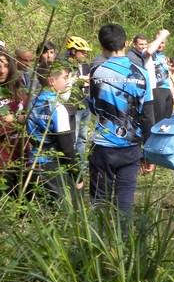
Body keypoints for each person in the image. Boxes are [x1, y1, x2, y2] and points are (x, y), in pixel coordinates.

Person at [88, 24, 155, 226]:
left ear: (101, 46)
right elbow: (147, 115)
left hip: (102, 147)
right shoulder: (141, 74)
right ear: (126, 43)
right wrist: (148, 152)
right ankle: (123, 248)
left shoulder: (97, 72)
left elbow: (93, 107)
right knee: (124, 203)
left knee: (100, 201)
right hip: (131, 148)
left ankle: (97, 249)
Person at [26, 60, 84, 204]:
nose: (67, 81)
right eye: (64, 78)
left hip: (33, 164)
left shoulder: (32, 103)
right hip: (53, 167)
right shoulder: (58, 108)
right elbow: (66, 146)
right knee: (67, 211)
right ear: (52, 81)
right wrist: (77, 174)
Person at [0, 50, 28, 195]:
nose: (2, 70)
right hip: (2, 161)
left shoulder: (18, 92)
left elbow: (29, 117)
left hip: (22, 157)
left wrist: (17, 119)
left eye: (6, 65)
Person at [65, 36, 94, 164]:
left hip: (85, 105)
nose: (85, 54)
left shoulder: (85, 66)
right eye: (82, 51)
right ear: (73, 51)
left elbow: (90, 80)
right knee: (73, 138)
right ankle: (72, 166)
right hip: (73, 108)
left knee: (82, 138)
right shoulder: (65, 66)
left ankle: (80, 164)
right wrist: (79, 81)